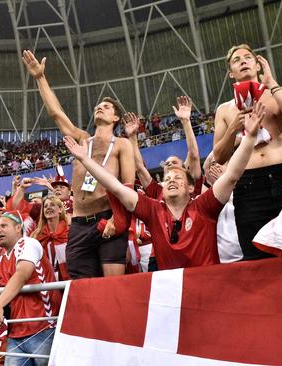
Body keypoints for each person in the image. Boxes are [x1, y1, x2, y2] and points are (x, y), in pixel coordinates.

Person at [64, 102, 266, 270]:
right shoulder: (153, 210)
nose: (171, 179)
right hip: (172, 295)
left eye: (178, 177)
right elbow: (116, 187)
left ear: (190, 188)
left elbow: (231, 176)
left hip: (208, 287)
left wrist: (249, 137)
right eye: (167, 177)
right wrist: (85, 160)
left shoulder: (205, 207)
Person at [22, 50, 135, 279]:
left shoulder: (122, 144)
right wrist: (40, 78)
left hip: (107, 220)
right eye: (98, 106)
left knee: (113, 290)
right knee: (82, 291)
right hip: (79, 225)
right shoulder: (83, 139)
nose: (99, 108)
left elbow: (128, 186)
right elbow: (56, 114)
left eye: (107, 107)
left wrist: (117, 219)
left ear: (115, 118)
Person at [212, 44, 282, 260]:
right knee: (256, 255)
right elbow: (219, 156)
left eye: (247, 57)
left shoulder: (281, 92)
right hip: (249, 184)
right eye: (237, 60)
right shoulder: (225, 110)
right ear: (230, 72)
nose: (243, 61)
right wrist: (234, 127)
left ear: (257, 64)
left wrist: (272, 83)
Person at [0, 211, 62, 366]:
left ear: (18, 227)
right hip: (16, 334)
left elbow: (22, 274)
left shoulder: (28, 243)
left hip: (44, 327)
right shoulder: (0, 261)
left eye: (4, 226)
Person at [124, 96, 203, 200]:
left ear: (185, 169)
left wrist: (185, 121)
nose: (169, 164)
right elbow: (139, 167)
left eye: (174, 162)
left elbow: (193, 154)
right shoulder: (157, 191)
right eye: (166, 164)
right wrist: (132, 136)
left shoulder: (191, 185)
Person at [31, 196, 71, 280]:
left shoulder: (70, 232)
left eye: (52, 205)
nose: (48, 208)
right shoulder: (36, 235)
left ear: (60, 209)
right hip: (44, 280)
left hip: (67, 279)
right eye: (45, 206)